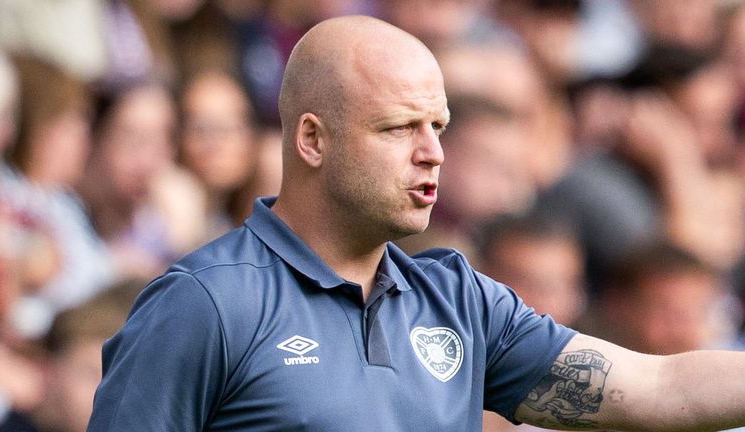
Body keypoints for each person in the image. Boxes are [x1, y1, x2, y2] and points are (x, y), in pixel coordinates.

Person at [88, 16, 745, 431]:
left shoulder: (459, 301)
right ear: (312, 140)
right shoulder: (205, 304)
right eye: (399, 127)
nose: (432, 150)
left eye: (438, 126)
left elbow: (660, 389)